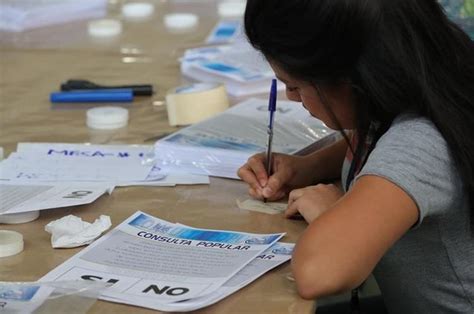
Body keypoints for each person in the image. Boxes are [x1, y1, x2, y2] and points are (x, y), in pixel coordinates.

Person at [237, 0, 474, 313]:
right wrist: (309, 166)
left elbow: (319, 272)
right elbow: (382, 143)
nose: (290, 98)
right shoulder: (430, 76)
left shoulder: (421, 141)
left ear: (351, 79)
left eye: (294, 86)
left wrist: (332, 213)